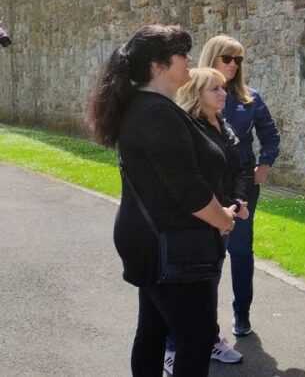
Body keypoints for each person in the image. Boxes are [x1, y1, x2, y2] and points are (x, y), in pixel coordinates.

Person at [86, 25, 238, 377]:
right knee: (196, 338)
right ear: (157, 66)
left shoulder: (151, 107)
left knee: (154, 330)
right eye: (182, 54)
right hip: (170, 248)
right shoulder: (154, 112)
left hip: (159, 242)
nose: (189, 59)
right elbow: (188, 189)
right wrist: (223, 220)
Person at [162, 67, 253, 372]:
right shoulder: (190, 129)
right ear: (196, 93)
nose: (223, 93)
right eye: (215, 89)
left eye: (223, 88)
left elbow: (240, 168)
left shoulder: (224, 127)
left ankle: (209, 339)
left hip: (223, 219)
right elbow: (194, 180)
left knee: (210, 283)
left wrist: (238, 202)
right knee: (190, 289)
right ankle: (174, 347)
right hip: (199, 221)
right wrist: (217, 210)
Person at [198, 35, 280, 337]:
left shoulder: (250, 97)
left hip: (243, 182)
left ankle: (241, 313)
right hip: (209, 182)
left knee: (242, 249)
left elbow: (270, 134)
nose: (234, 64)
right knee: (210, 252)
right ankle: (205, 321)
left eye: (238, 59)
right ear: (213, 58)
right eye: (227, 58)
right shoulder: (194, 93)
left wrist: (265, 164)